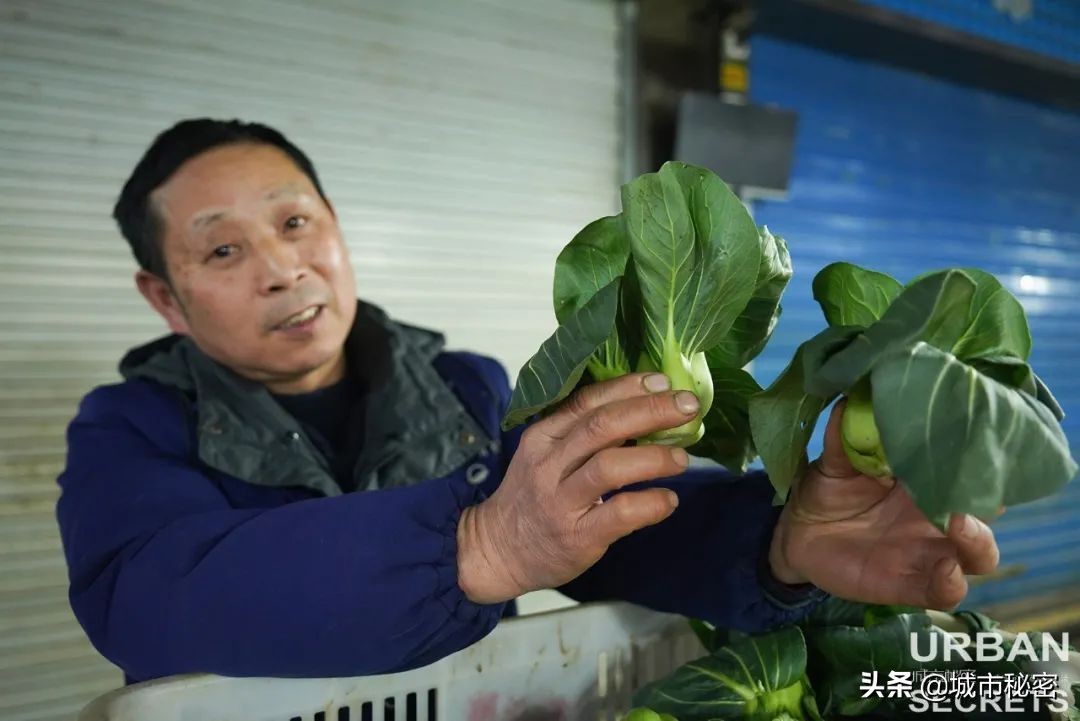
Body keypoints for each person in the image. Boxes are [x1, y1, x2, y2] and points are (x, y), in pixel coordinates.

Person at [56, 119, 1000, 684]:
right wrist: (475, 546)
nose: (282, 268)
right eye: (223, 250)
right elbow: (153, 598)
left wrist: (780, 547)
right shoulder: (127, 427)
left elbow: (598, 528)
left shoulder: (465, 385)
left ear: (337, 228)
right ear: (164, 297)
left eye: (296, 222)